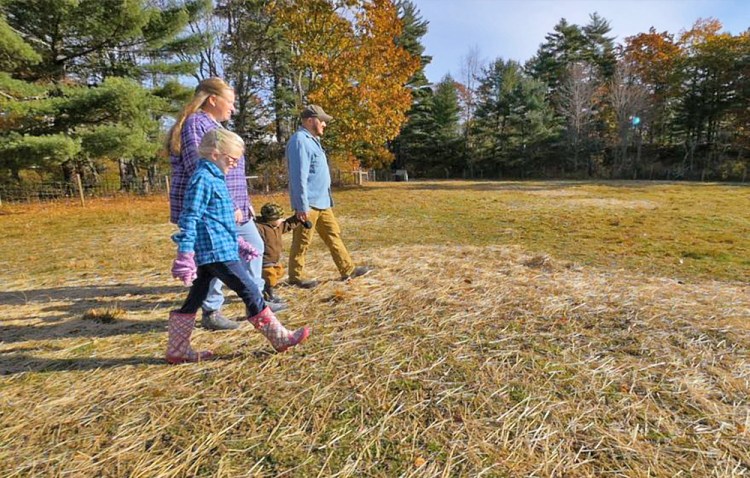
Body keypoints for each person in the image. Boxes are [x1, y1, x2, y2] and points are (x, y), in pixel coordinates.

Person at [167, 129, 310, 364]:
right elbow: (190, 216)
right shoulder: (203, 179)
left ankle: (177, 349)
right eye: (231, 159)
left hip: (220, 247)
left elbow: (215, 216)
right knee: (250, 289)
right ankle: (280, 338)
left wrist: (237, 238)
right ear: (214, 154)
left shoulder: (214, 178)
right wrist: (185, 252)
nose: (234, 165)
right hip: (215, 251)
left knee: (196, 297)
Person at [166, 77, 275, 331]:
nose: (233, 108)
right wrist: (227, 205)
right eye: (230, 102)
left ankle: (255, 302)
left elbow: (232, 169)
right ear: (213, 99)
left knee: (246, 250)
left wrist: (244, 202)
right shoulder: (196, 123)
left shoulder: (214, 125)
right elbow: (200, 168)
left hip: (232, 205)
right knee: (215, 259)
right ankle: (220, 310)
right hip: (214, 208)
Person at [285, 105, 373, 289]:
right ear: (310, 120)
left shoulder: (313, 140)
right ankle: (295, 277)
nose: (325, 124)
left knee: (333, 235)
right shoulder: (300, 141)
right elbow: (298, 176)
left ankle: (347, 270)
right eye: (322, 120)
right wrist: (301, 206)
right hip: (308, 204)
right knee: (302, 241)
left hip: (322, 202)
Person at [255, 203, 308, 303]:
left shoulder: (278, 226)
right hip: (265, 259)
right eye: (279, 219)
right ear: (271, 219)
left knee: (279, 272)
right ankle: (269, 295)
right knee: (270, 278)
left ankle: (265, 288)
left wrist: (298, 218)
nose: (282, 220)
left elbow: (288, 224)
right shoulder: (260, 228)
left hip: (275, 259)